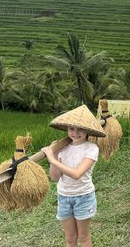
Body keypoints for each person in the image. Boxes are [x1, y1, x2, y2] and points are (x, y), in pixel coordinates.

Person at [41, 105, 106, 247]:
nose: (75, 133)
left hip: (83, 196)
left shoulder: (91, 149)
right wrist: (56, 155)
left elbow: (77, 174)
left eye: (80, 129)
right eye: (71, 128)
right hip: (64, 196)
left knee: (83, 236)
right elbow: (55, 177)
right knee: (70, 238)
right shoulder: (63, 148)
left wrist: (52, 159)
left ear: (88, 130)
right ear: (67, 129)